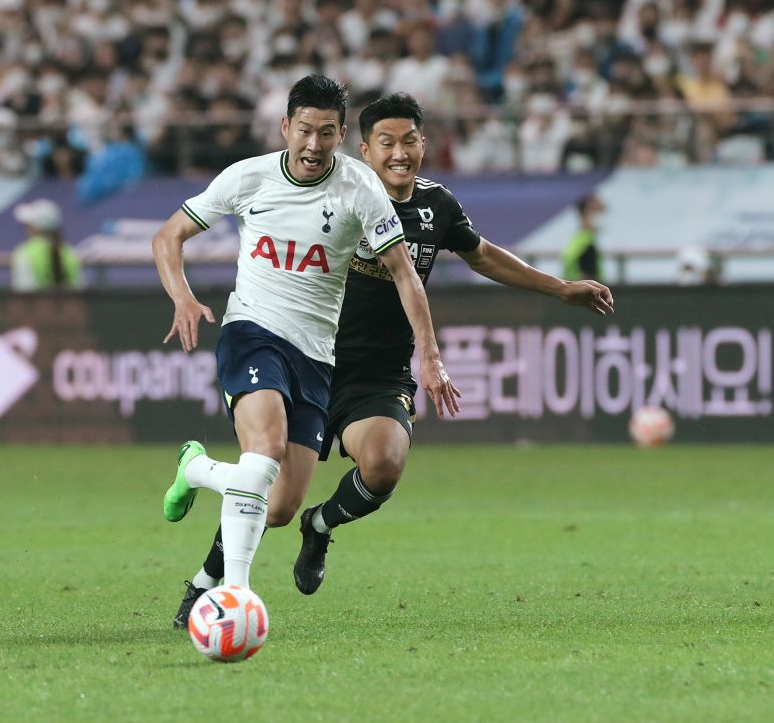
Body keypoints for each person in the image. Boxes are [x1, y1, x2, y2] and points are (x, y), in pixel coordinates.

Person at [170, 92, 616, 618]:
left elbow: (483, 256)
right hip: (310, 356)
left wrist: (559, 288)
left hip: (375, 374)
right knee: (270, 495)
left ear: (424, 144)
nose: (399, 153)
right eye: (387, 143)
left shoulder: (436, 207)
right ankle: (207, 582)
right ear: (364, 148)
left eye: (410, 141)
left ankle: (322, 526)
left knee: (382, 465)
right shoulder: (336, 193)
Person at [153, 76, 460, 622]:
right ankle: (235, 600)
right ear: (284, 128)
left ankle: (197, 471)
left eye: (326, 133)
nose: (314, 145)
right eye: (303, 130)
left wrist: (429, 355)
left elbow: (404, 273)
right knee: (264, 451)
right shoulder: (248, 178)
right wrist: (182, 296)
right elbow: (169, 235)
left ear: (342, 135)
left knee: (276, 507)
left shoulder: (360, 189)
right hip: (252, 333)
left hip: (317, 357)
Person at [10, 198, 83, 291]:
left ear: (35, 228)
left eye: (27, 225)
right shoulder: (69, 253)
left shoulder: (24, 253)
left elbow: (23, 295)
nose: (25, 228)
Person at [562, 193, 605, 282]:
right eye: (596, 213)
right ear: (585, 216)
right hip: (583, 290)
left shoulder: (579, 242)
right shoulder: (585, 246)